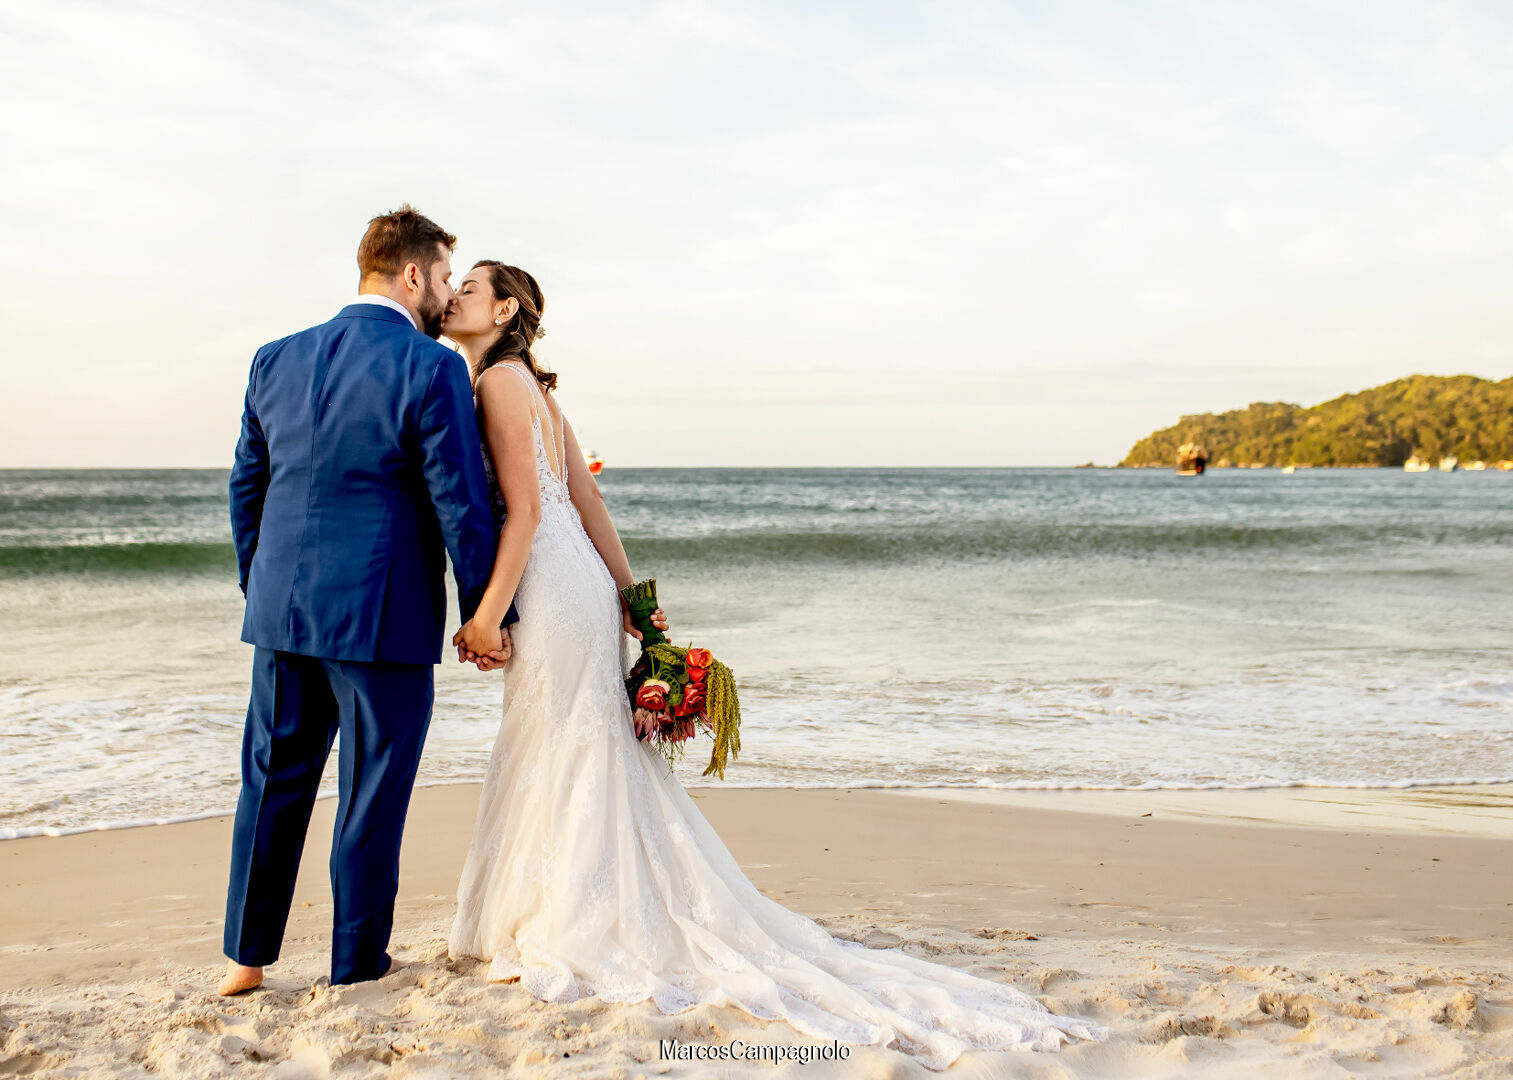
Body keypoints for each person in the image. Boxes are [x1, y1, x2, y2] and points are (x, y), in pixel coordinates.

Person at [441, 262, 1106, 1070]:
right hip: (578, 583)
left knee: (563, 741)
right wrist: (634, 603)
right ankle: (567, 902)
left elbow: (529, 511)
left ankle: (565, 915)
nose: (455, 295)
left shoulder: (496, 383)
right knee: (581, 743)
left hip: (549, 584)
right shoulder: (538, 391)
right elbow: (590, 502)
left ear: (504, 309)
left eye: (470, 287)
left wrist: (485, 615)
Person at [219, 206, 513, 995]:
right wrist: (485, 614)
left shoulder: (274, 358)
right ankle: (355, 964)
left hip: (282, 611)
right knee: (369, 794)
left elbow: (247, 486)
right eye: (444, 277)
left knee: (271, 781)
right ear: (413, 274)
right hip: (382, 617)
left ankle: (246, 959)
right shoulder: (430, 367)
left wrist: (261, 583)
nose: (446, 294)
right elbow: (459, 503)